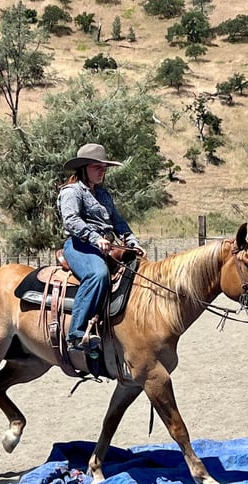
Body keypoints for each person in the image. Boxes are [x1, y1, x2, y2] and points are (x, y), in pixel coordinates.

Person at [57, 143, 146, 353]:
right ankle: (76, 333)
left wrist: (132, 241)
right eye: (97, 167)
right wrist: (95, 237)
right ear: (84, 168)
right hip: (80, 245)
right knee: (97, 274)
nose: (102, 171)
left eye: (104, 167)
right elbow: (70, 220)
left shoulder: (104, 195)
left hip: (106, 247)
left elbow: (118, 221)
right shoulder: (72, 191)